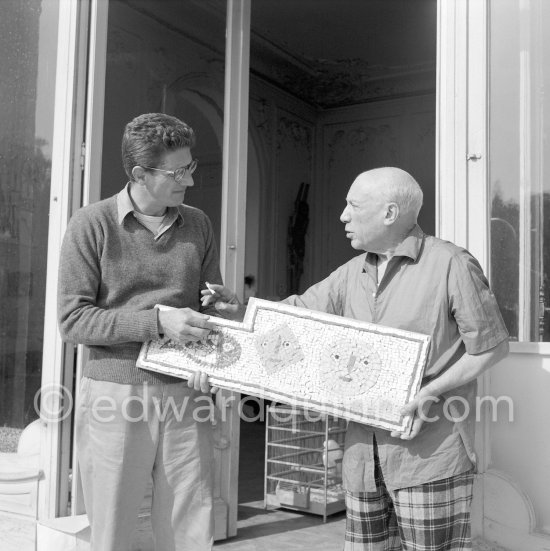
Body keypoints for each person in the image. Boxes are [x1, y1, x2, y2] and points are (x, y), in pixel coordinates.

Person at [205, 167, 509, 550]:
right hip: (362, 458)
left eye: (353, 205)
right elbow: (295, 314)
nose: (343, 216)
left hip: (429, 455)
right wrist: (238, 310)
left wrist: (429, 392)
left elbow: (493, 347)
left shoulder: (450, 263)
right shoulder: (351, 273)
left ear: (389, 213)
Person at [58, 113, 224, 551]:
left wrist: (221, 314)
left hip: (188, 393)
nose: (188, 179)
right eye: (176, 172)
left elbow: (209, 308)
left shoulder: (199, 224)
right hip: (116, 393)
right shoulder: (90, 225)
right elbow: (73, 321)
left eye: (191, 167)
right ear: (139, 174)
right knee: (113, 526)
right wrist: (157, 322)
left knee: (191, 525)